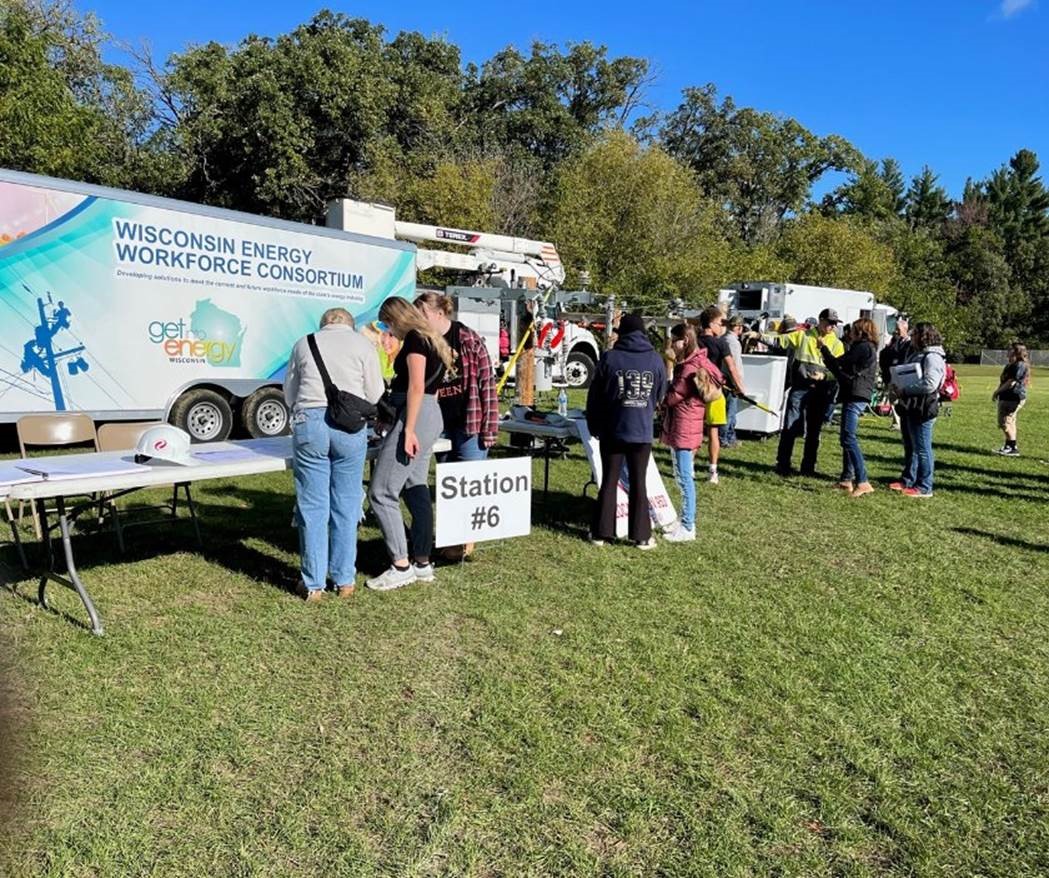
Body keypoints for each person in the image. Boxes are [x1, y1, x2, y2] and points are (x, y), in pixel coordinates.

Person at [283, 307, 384, 601]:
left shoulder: (304, 342)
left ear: (324, 323)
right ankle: (345, 580)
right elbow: (375, 393)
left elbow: (290, 392)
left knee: (312, 505)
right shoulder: (363, 345)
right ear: (349, 325)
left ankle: (313, 584)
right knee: (347, 502)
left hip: (310, 422)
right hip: (350, 427)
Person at [366, 297, 457, 590]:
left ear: (396, 318)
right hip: (430, 414)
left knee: (381, 492)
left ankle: (400, 564)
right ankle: (421, 561)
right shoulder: (432, 339)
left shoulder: (416, 340)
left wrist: (409, 430)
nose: (386, 329)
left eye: (386, 322)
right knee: (416, 485)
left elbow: (416, 386)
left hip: (418, 416)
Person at [415, 291, 500, 560]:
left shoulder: (468, 339)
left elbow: (488, 385)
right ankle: (451, 539)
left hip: (469, 422)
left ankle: (463, 542)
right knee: (448, 484)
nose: (419, 318)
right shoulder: (424, 343)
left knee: (469, 485)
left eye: (423, 313)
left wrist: (490, 428)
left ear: (439, 313)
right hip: (439, 423)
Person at [586, 314, 667, 548]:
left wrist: (595, 425)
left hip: (613, 430)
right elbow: (660, 393)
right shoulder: (655, 360)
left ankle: (601, 533)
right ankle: (641, 536)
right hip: (641, 431)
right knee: (639, 483)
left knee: (609, 481)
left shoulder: (610, 358)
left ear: (622, 333)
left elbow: (595, 397)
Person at [754, 308, 844, 477]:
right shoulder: (803, 335)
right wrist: (759, 337)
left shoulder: (837, 344)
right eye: (829, 322)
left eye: (834, 324)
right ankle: (783, 463)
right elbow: (780, 341)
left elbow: (839, 371)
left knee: (814, 431)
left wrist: (824, 376)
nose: (832, 326)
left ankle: (808, 467)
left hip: (821, 391)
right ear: (821, 320)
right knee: (790, 426)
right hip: (800, 387)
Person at [661, 323, 719, 542]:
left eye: (674, 340)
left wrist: (661, 399)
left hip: (685, 426)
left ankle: (688, 525)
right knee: (681, 473)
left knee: (685, 477)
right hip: (689, 425)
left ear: (684, 340)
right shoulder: (697, 361)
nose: (671, 344)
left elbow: (674, 395)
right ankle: (684, 518)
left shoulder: (687, 368)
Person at [819, 318, 878, 498]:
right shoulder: (865, 348)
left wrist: (823, 349)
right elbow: (838, 368)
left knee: (848, 438)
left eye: (853, 329)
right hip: (852, 393)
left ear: (860, 331)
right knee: (846, 437)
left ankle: (863, 480)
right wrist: (826, 353)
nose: (849, 332)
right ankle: (846, 479)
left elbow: (840, 363)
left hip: (856, 395)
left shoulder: (863, 347)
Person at [890, 322, 946, 499]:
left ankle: (925, 486)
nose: (911, 337)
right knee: (911, 447)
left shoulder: (932, 357)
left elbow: (931, 384)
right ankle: (908, 479)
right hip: (910, 405)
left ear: (923, 337)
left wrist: (905, 390)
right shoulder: (918, 354)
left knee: (922, 448)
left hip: (923, 407)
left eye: (914, 335)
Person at [696, 306, 746, 485]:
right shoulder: (721, 343)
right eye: (721, 323)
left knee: (694, 432)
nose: (723, 326)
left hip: (695, 390)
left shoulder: (694, 341)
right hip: (714, 392)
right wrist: (740, 388)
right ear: (711, 324)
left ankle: (689, 468)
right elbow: (731, 367)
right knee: (713, 432)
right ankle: (713, 471)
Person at [992, 342, 1031, 456]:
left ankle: (1012, 448)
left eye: (1010, 350)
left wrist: (997, 392)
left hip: (1012, 397)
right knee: (1010, 421)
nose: (1007, 352)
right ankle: (1009, 446)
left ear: (1016, 352)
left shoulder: (1019, 365)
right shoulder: (1011, 364)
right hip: (1007, 397)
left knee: (1004, 422)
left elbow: (1011, 382)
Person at [879, 315, 911, 431]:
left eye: (898, 329)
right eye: (895, 329)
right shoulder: (893, 342)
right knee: (893, 399)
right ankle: (896, 421)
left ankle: (903, 421)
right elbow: (884, 354)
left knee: (902, 399)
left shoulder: (909, 343)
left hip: (903, 375)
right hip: (892, 374)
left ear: (905, 329)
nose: (896, 331)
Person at [720, 314, 746, 448]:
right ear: (739, 327)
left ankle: (730, 437)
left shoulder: (723, 338)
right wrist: (738, 384)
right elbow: (733, 365)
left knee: (729, 412)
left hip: (724, 380)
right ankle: (724, 439)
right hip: (731, 382)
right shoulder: (733, 343)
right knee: (729, 413)